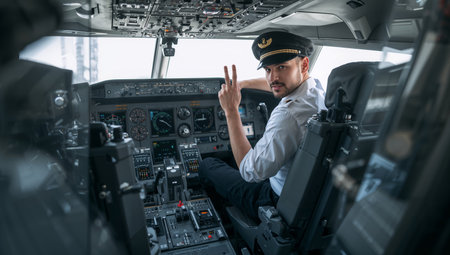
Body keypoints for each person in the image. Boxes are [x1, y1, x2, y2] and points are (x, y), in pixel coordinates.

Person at [199, 31, 326, 220]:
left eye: (282, 67)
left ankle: (223, 222)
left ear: (304, 64)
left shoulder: (288, 115)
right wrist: (243, 84)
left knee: (208, 165)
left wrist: (231, 111)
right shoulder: (315, 89)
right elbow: (278, 84)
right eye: (268, 69)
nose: (273, 77)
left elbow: (250, 172)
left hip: (275, 200)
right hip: (310, 195)